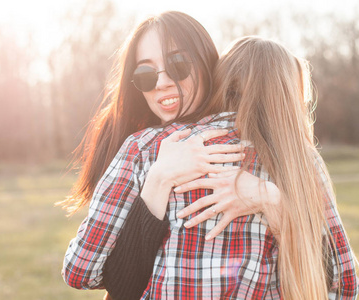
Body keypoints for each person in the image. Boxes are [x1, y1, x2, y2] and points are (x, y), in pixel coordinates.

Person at [62, 35, 359, 299]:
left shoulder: (146, 147)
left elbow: (80, 270)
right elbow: (343, 287)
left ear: (219, 79)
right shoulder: (302, 162)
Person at [59, 11, 281, 299]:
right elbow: (338, 282)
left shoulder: (141, 149)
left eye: (177, 64)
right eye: (146, 74)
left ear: (207, 63)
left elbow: (80, 270)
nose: (162, 82)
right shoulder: (273, 146)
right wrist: (159, 179)